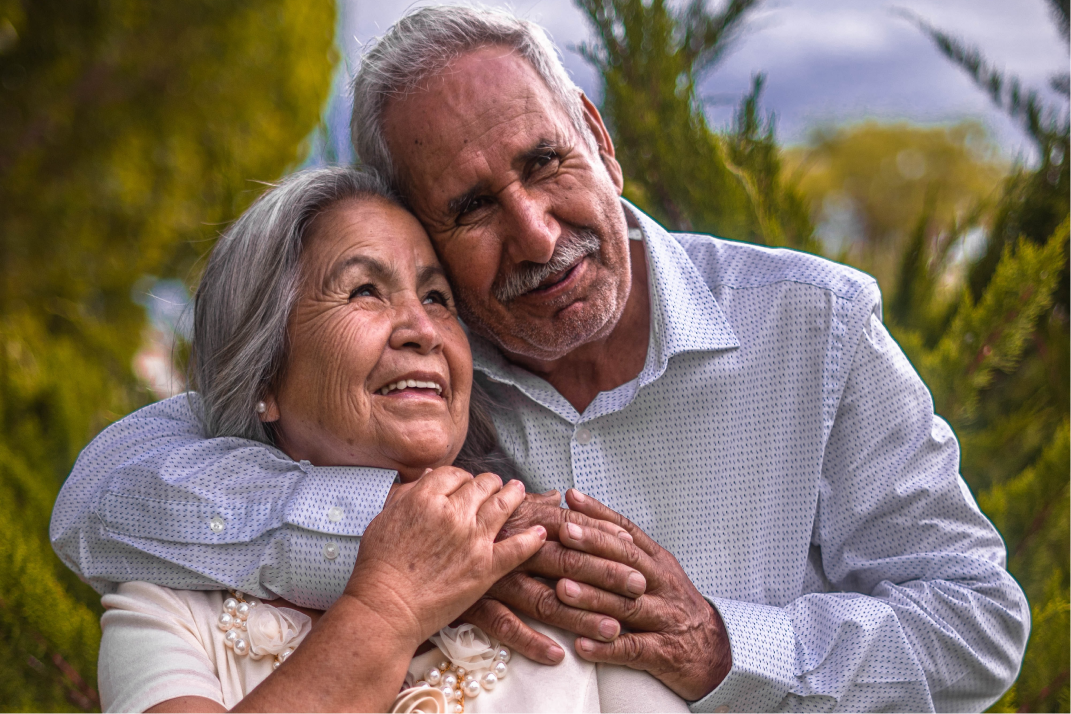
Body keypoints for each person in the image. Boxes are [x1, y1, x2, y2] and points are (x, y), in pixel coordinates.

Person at [52, 5, 1030, 712]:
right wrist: (414, 536)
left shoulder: (817, 325)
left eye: (544, 162)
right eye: (471, 207)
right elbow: (100, 497)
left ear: (598, 140)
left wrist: (720, 645)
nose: (534, 233)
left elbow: (975, 620)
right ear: (422, 233)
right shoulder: (425, 372)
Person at [93, 165, 691, 714]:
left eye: (436, 297)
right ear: (265, 375)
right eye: (364, 291)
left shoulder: (559, 583)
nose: (423, 330)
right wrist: (388, 607)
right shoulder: (165, 614)